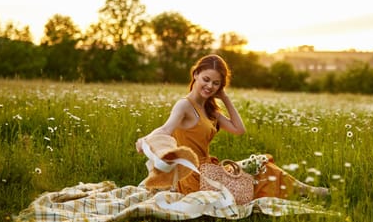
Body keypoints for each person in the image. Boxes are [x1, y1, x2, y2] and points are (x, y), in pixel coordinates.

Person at [135, 54, 328, 200]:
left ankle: (304, 191)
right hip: (193, 178)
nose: (210, 86)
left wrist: (225, 98)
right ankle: (306, 191)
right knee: (258, 171)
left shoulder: (209, 110)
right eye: (206, 79)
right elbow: (166, 129)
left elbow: (239, 129)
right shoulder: (184, 105)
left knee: (260, 164)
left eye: (216, 83)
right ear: (195, 74)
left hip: (209, 172)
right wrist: (145, 140)